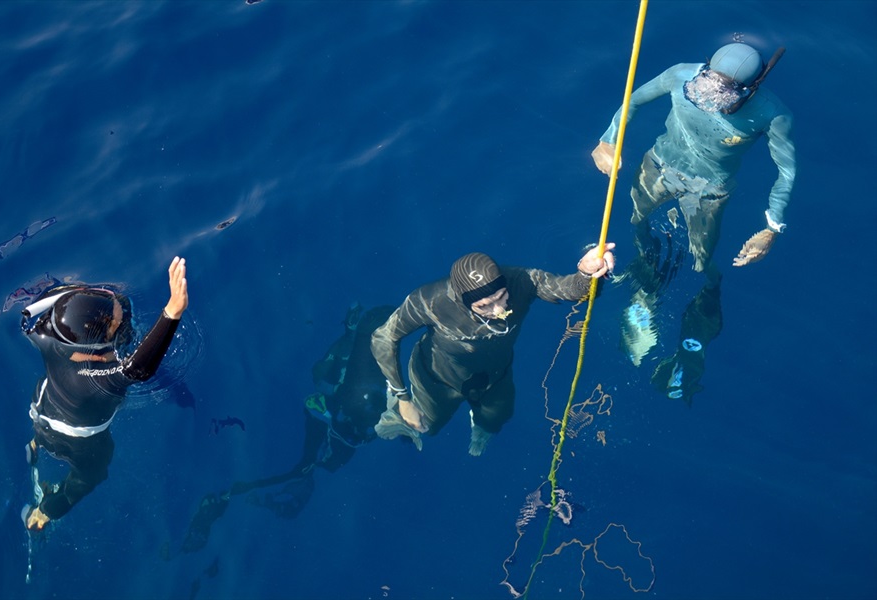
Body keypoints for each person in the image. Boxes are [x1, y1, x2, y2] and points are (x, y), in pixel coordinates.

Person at [591, 42, 795, 404]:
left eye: (723, 90)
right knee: (638, 223)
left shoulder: (772, 114)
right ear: (704, 70)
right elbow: (633, 101)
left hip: (709, 191)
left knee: (704, 263)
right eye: (708, 81)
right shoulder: (682, 74)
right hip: (658, 165)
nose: (709, 94)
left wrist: (771, 228)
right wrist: (607, 140)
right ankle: (645, 279)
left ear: (752, 88)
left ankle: (699, 325)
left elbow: (787, 170)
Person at [177, 303, 393, 554]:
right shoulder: (354, 351)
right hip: (330, 424)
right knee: (310, 467)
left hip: (329, 424)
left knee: (309, 466)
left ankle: (235, 499)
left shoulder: (350, 349)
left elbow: (319, 377)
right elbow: (320, 378)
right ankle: (236, 499)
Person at [371, 245, 615, 456]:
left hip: (495, 376)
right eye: (484, 305)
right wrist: (403, 398)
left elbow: (568, 290)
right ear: (463, 300)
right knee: (427, 427)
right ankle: (393, 404)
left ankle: (479, 425)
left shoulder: (522, 281)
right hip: (437, 379)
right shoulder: (430, 302)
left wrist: (586, 273)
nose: (499, 310)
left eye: (501, 296)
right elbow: (382, 338)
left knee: (497, 419)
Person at [20, 256, 189, 531]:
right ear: (96, 343)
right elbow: (138, 370)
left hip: (42, 405)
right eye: (116, 324)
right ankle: (46, 512)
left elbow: (28, 313)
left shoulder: (45, 335)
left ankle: (37, 442)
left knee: (44, 426)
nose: (122, 323)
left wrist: (80, 294)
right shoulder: (93, 381)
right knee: (92, 476)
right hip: (81, 442)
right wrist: (172, 312)